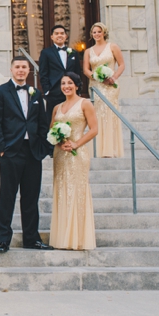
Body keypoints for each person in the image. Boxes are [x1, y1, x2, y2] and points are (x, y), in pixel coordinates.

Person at [0, 56, 53, 253]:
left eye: (24, 67)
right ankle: (4, 240)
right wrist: (1, 148)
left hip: (32, 152)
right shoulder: (0, 92)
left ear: (28, 70)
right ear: (11, 69)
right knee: (7, 197)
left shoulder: (36, 93)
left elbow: (43, 122)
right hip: (10, 151)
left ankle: (31, 238)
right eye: (17, 67)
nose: (21, 70)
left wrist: (44, 148)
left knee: (31, 198)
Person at [49, 72, 98, 250]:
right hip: (60, 154)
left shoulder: (85, 103)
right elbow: (51, 131)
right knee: (62, 191)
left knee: (77, 190)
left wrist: (76, 143)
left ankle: (78, 238)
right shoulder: (57, 107)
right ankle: (62, 237)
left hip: (78, 154)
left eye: (70, 83)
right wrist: (59, 141)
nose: (66, 86)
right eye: (63, 83)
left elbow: (94, 130)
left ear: (77, 85)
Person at [83, 22, 125, 158]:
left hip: (111, 85)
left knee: (109, 113)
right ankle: (98, 148)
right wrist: (96, 77)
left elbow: (122, 64)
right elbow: (85, 69)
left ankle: (110, 149)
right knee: (97, 113)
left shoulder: (112, 47)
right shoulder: (88, 51)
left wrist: (114, 77)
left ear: (104, 33)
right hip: (96, 85)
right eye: (94, 32)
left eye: (99, 32)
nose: (96, 34)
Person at [38, 25, 83, 122]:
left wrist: (78, 90)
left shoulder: (73, 53)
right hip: (54, 92)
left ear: (66, 36)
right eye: (56, 33)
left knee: (71, 118)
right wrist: (47, 91)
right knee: (53, 120)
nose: (59, 35)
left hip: (71, 91)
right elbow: (43, 73)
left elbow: (77, 72)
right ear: (52, 37)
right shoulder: (46, 53)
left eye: (62, 33)